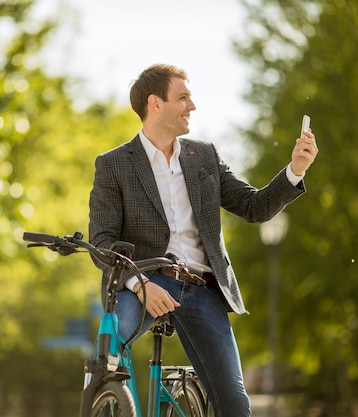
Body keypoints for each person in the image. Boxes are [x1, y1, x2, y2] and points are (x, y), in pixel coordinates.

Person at [88, 63, 318, 416]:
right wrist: (139, 284)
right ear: (156, 103)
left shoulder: (203, 155)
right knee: (106, 350)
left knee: (234, 402)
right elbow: (102, 240)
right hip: (147, 281)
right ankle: (108, 403)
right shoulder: (114, 164)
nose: (192, 106)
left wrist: (296, 170)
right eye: (183, 97)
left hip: (202, 287)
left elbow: (253, 206)